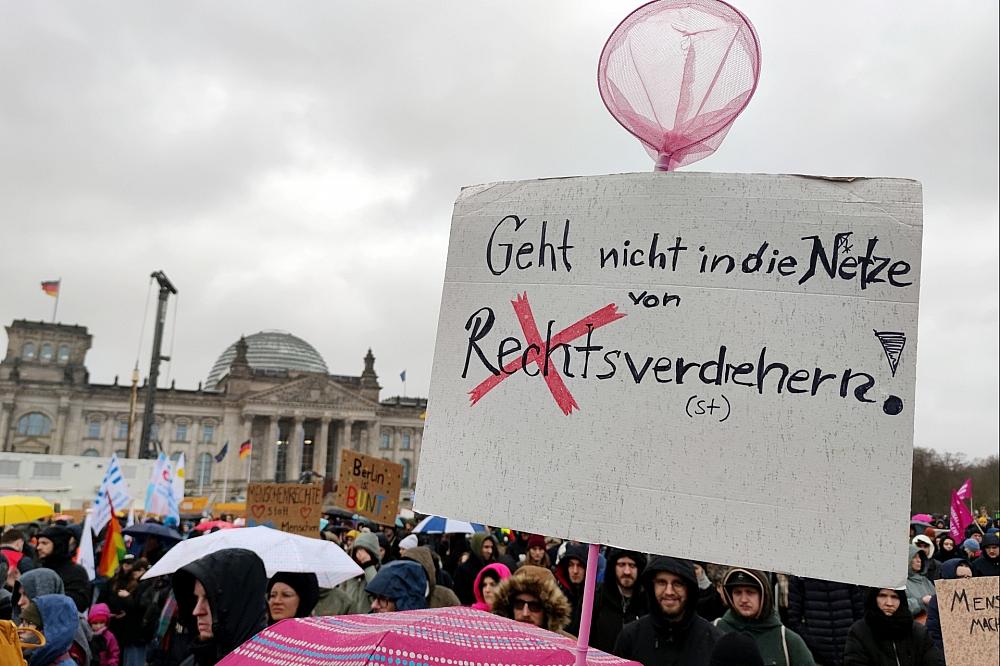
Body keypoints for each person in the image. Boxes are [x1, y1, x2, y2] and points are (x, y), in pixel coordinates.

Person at [613, 556, 722, 665]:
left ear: (689, 588)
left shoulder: (714, 641)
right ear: (652, 587)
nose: (669, 591)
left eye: (677, 583)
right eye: (662, 582)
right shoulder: (631, 637)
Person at [171, 548, 267, 666]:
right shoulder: (195, 658)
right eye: (196, 599)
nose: (196, 611)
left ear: (235, 603)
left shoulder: (271, 660)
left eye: (209, 599)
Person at [713, 568, 815, 665]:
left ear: (763, 595)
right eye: (737, 592)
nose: (743, 599)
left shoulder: (787, 640)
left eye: (750, 592)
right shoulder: (715, 630)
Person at [843, 588, 943, 665]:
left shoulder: (918, 631)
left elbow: (932, 661)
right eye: (883, 596)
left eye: (895, 597)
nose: (889, 603)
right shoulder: (859, 632)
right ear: (874, 598)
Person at [16, 568, 92, 665]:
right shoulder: (23, 630)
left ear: (43, 591)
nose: (19, 602)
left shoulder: (70, 639)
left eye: (26, 594)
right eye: (19, 595)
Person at [786, 576, 865, 666]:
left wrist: (853, 640)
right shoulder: (800, 576)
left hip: (849, 651)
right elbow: (794, 619)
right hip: (817, 656)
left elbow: (860, 613)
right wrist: (811, 642)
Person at [590, 549, 648, 653]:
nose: (627, 571)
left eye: (632, 565)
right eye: (622, 565)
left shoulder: (647, 601)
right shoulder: (597, 596)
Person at [491, 565, 572, 636]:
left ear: (548, 612)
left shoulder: (569, 647)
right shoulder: (497, 642)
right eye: (519, 605)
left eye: (534, 606)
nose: (525, 613)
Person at [313, 531, 381, 616]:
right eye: (358, 549)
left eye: (364, 551)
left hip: (368, 617)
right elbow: (341, 595)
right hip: (348, 616)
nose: (360, 554)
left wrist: (368, 565)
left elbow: (377, 591)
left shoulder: (378, 572)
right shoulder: (350, 571)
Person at [103, 557, 152, 666]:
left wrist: (128, 597)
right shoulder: (114, 581)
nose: (134, 572)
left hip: (135, 633)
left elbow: (139, 606)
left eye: (137, 570)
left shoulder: (144, 585)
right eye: (134, 569)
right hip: (123, 629)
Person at [35, 526, 92, 613]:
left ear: (58, 544)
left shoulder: (76, 572)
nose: (38, 547)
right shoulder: (39, 569)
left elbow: (79, 603)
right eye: (38, 543)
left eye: (44, 543)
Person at [924, 558, 972, 652]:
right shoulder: (938, 601)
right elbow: (933, 634)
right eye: (960, 577)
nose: (965, 581)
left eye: (968, 577)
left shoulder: (979, 600)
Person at [19, 595, 79, 665]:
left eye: (29, 623)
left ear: (47, 630)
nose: (20, 628)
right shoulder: (34, 659)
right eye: (22, 622)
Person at [452, 533, 500, 606]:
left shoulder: (492, 567)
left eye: (491, 547)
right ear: (477, 547)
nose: (490, 551)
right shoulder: (463, 570)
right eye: (486, 547)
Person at [553, 543, 589, 636]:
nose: (575, 571)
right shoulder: (558, 595)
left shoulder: (595, 597)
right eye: (571, 565)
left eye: (580, 565)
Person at [904, 546, 935, 619]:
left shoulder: (925, 580)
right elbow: (898, 606)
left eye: (920, 557)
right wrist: (921, 601)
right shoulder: (900, 582)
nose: (919, 560)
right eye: (914, 557)